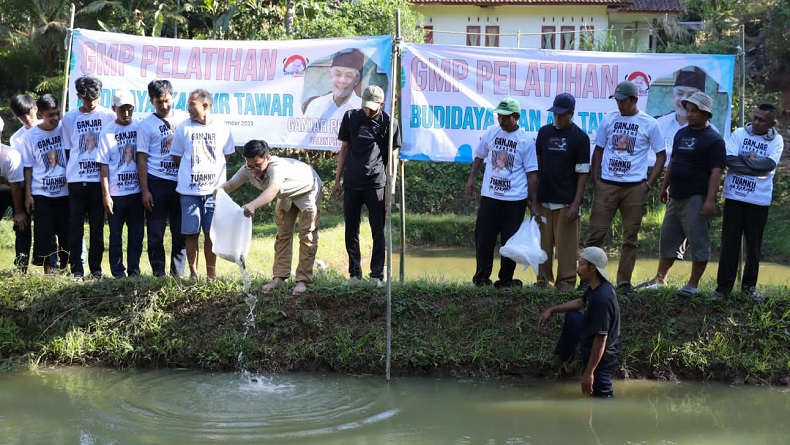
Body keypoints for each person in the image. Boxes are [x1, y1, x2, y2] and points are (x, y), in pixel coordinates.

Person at [584, 81, 665, 296]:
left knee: (630, 237)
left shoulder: (649, 123)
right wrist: (596, 180)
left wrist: (648, 184)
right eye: (617, 101)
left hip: (634, 188)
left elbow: (661, 156)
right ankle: (588, 281)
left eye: (623, 101)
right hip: (608, 185)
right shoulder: (609, 119)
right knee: (595, 234)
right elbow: (598, 150)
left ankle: (623, 283)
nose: (619, 104)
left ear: (634, 100)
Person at [644, 92, 725, 297]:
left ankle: (693, 284)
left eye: (694, 111)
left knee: (698, 241)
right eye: (688, 110)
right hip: (675, 196)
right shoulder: (681, 133)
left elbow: (716, 172)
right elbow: (673, 162)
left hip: (696, 198)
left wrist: (709, 200)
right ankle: (660, 278)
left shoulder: (714, 140)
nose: (689, 115)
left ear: (706, 113)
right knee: (668, 238)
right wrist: (665, 187)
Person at [219, 140, 322, 295]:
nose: (253, 170)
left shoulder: (277, 167)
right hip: (286, 195)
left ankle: (303, 280)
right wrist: (214, 195)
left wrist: (253, 205)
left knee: (307, 235)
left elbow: (273, 190)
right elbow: (230, 185)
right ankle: (279, 277)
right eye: (250, 166)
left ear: (267, 157)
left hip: (307, 189)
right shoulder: (248, 168)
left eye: (257, 165)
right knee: (283, 235)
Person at [465, 97, 540, 290]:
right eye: (499, 116)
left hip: (514, 200)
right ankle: (481, 279)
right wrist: (471, 179)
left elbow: (532, 174)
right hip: (490, 197)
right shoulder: (492, 132)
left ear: (516, 117)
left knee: (509, 243)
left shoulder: (526, 141)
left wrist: (534, 203)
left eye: (505, 117)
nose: (501, 120)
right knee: (483, 239)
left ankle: (505, 280)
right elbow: (479, 157)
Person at [711, 104, 784, 302]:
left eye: (762, 120)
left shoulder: (776, 140)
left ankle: (749, 287)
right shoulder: (740, 133)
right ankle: (722, 288)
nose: (757, 122)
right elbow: (729, 160)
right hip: (734, 197)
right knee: (729, 243)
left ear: (771, 123)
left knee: (754, 246)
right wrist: (755, 168)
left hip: (758, 200)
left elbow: (769, 165)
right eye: (755, 117)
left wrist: (744, 160)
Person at [334, 85, 400, 285]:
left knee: (377, 230)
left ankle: (377, 275)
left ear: (381, 104)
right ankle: (354, 274)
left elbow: (393, 156)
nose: (368, 111)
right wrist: (337, 180)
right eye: (365, 106)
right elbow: (343, 149)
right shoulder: (351, 117)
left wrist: (392, 188)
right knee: (351, 229)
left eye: (372, 107)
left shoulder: (389, 123)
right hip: (352, 182)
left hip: (376, 183)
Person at [539, 247, 621, 398]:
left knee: (601, 394)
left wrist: (589, 373)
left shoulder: (601, 298)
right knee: (573, 316)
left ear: (593, 268)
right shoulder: (596, 287)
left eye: (581, 264)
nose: (577, 269)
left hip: (604, 354)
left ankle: (603, 417)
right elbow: (580, 302)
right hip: (593, 340)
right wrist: (552, 309)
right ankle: (567, 359)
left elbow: (601, 339)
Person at [171, 89, 235, 280]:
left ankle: (211, 275)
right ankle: (193, 273)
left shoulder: (222, 127)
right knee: (191, 233)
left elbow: (227, 154)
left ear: (205, 106)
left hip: (214, 192)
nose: (188, 108)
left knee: (211, 234)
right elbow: (176, 156)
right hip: (189, 191)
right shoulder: (183, 128)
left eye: (192, 104)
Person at [61, 75, 116, 280]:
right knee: (75, 227)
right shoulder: (69, 118)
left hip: (98, 180)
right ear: (78, 96)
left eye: (95, 98)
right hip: (76, 179)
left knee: (97, 228)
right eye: (87, 99)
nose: (91, 103)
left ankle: (96, 270)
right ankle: (77, 269)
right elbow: (68, 149)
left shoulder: (108, 116)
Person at [535, 93, 590, 293]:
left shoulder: (580, 138)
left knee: (567, 246)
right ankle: (543, 280)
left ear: (571, 114)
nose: (557, 118)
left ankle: (566, 281)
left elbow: (583, 172)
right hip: (544, 199)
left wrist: (576, 202)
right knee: (543, 244)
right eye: (555, 114)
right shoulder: (544, 133)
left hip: (566, 201)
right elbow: (537, 166)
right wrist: (533, 199)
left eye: (561, 114)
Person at [137, 79, 188, 277]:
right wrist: (145, 191)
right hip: (156, 182)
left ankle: (178, 275)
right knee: (156, 233)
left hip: (181, 183)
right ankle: (158, 274)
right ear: (151, 101)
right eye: (159, 102)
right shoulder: (146, 125)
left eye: (167, 100)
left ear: (173, 97)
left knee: (180, 232)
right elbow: (141, 158)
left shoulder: (184, 119)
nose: (164, 106)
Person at [20, 94, 70, 274]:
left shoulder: (64, 129)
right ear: (40, 114)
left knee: (66, 232)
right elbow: (28, 168)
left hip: (65, 192)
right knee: (45, 234)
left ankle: (65, 269)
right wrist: (27, 195)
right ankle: (50, 272)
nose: (56, 118)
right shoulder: (30, 136)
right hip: (42, 193)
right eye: (51, 115)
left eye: (58, 113)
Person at [98, 91, 143, 278]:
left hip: (136, 192)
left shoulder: (139, 127)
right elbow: (103, 165)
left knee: (137, 235)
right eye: (122, 109)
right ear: (114, 109)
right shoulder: (107, 131)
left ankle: (134, 270)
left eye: (129, 110)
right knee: (115, 236)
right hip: (116, 193)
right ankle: (117, 272)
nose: (126, 114)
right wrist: (106, 195)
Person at [654, 67, 707, 166]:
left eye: (691, 95)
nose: (684, 99)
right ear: (673, 96)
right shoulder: (658, 123)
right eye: (680, 93)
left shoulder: (710, 131)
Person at [0, 117, 31, 272]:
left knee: (22, 225)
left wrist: (18, 212)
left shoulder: (9, 155)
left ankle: (21, 268)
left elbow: (15, 187)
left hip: (17, 189)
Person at [303, 48, 364, 121]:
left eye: (349, 76)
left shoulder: (363, 109)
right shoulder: (316, 105)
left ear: (356, 80)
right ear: (330, 76)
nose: (342, 81)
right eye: (337, 74)